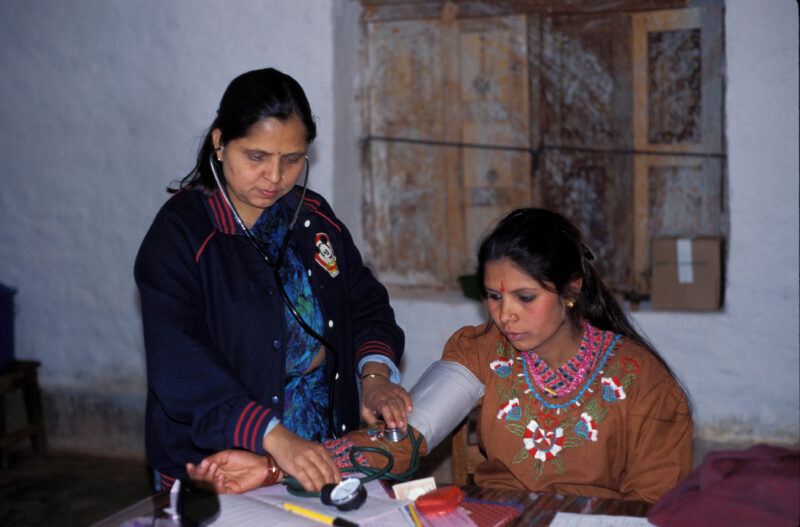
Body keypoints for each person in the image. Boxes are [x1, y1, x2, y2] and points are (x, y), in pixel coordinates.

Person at [189, 208, 692, 503]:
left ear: (571, 290)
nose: (505, 316)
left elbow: (656, 506)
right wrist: (275, 468)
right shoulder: (481, 351)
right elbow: (403, 439)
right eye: (493, 297)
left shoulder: (642, 380)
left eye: (525, 298)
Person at [134, 67, 411, 493]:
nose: (275, 176)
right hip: (225, 463)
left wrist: (374, 378)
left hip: (320, 449)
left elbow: (364, 303)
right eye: (256, 157)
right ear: (220, 143)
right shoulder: (181, 236)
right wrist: (274, 437)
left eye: (292, 159)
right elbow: (180, 362)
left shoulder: (312, 219)